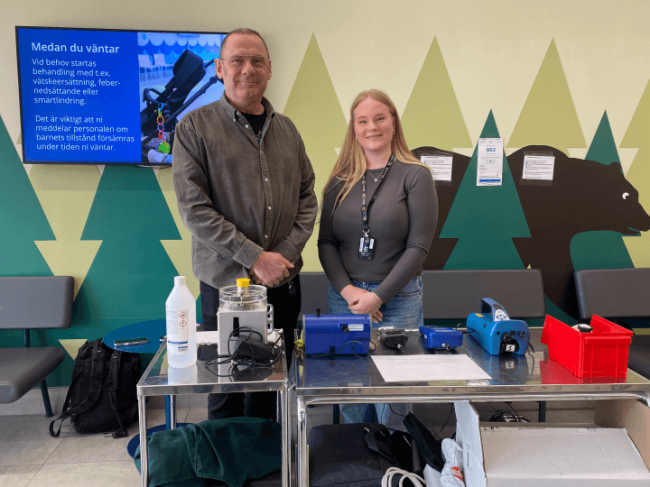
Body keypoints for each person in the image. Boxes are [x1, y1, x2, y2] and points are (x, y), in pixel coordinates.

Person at [173, 28, 318, 420]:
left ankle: (269, 453)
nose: (247, 69)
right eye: (237, 60)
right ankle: (230, 457)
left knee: (273, 383)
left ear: (269, 70)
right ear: (220, 68)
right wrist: (254, 258)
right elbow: (194, 209)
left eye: (257, 61)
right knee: (227, 388)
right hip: (225, 286)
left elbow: (307, 198)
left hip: (283, 281)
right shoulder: (193, 128)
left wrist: (283, 254)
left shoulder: (288, 131)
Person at [318, 89, 438, 429]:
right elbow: (326, 242)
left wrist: (378, 297)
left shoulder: (416, 175)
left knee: (394, 399)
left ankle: (394, 457)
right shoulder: (339, 180)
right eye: (363, 121)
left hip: (398, 300)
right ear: (354, 129)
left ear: (394, 123)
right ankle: (356, 457)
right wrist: (350, 293)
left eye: (380, 118)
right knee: (351, 393)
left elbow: (418, 247)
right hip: (346, 300)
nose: (372, 127)